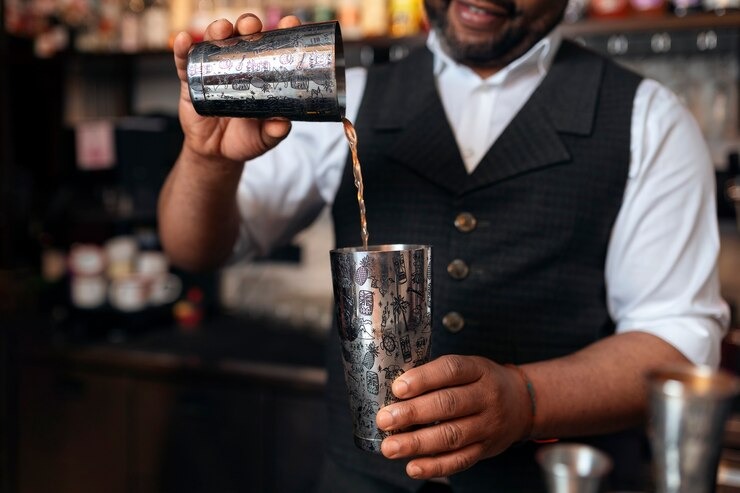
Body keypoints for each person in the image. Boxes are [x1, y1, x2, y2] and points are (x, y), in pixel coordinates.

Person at [158, 1, 730, 491]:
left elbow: (676, 342)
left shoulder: (650, 118)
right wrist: (207, 160)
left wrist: (527, 398)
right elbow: (197, 250)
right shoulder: (344, 96)